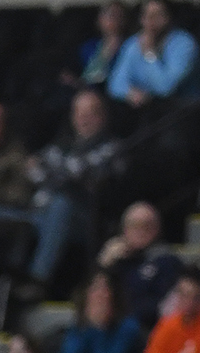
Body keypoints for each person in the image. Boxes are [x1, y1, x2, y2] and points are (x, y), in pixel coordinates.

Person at [24, 91, 125, 290]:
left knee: (61, 204)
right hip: (40, 213)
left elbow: (78, 173)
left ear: (102, 116)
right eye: (79, 113)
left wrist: (53, 171)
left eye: (90, 113)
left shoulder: (111, 147)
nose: (84, 119)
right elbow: (32, 171)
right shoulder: (62, 144)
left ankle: (37, 279)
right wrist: (59, 172)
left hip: (84, 218)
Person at [109, 0, 200, 108]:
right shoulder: (134, 43)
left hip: (184, 109)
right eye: (147, 16)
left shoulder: (185, 44)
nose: (151, 21)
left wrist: (149, 53)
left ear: (169, 18)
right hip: (147, 109)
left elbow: (166, 89)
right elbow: (115, 85)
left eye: (157, 15)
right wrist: (130, 93)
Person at [101, 201, 184, 331]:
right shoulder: (116, 261)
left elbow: (160, 304)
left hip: (142, 328)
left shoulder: (167, 262)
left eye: (147, 225)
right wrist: (104, 265)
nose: (140, 231)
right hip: (109, 325)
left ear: (157, 229)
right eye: (134, 225)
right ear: (124, 230)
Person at [58, 269, 144, 353]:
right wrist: (89, 327)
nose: (100, 295)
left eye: (105, 289)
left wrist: (98, 327)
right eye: (95, 288)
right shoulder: (78, 326)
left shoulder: (128, 327)